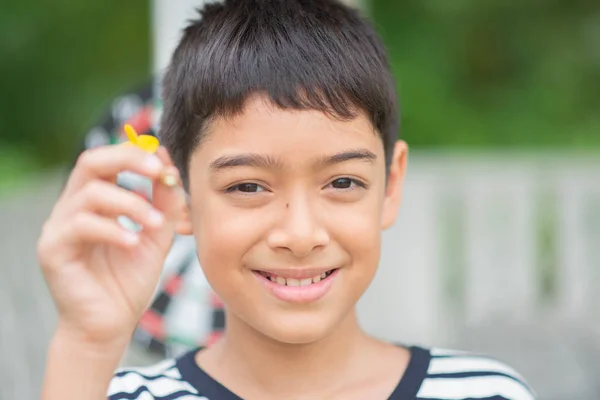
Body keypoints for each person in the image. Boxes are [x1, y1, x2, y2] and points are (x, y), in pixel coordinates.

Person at [37, 0, 537, 399]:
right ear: (181, 196)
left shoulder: (485, 393)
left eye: (342, 183)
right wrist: (86, 341)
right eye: (247, 186)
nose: (300, 236)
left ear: (390, 183)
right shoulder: (119, 395)